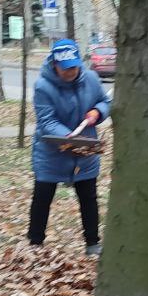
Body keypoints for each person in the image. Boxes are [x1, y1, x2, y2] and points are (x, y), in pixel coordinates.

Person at [29, 38, 112, 256]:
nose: (70, 72)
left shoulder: (92, 79)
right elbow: (46, 121)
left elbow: (104, 101)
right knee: (42, 198)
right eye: (65, 68)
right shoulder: (43, 87)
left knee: (89, 198)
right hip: (52, 152)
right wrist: (68, 138)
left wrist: (98, 112)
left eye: (74, 66)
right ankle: (35, 243)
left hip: (85, 153)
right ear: (54, 65)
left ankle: (92, 243)